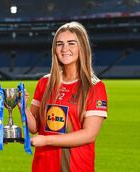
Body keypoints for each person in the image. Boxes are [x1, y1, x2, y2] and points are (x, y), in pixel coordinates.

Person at [25, 21, 108, 172]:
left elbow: (89, 135)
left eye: (71, 43)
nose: (65, 49)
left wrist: (47, 140)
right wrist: (22, 106)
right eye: (59, 44)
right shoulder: (45, 82)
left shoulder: (95, 87)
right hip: (42, 165)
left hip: (76, 166)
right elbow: (34, 127)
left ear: (82, 47)